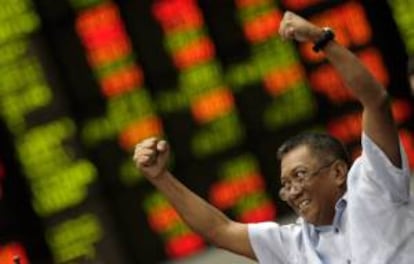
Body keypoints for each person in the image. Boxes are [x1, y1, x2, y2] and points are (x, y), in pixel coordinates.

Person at [133, 11, 413, 263]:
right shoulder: (291, 244)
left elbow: (375, 100)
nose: (293, 192)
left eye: (300, 176)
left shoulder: (375, 184)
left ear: (339, 172)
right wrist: (160, 177)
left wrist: (321, 39)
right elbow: (219, 230)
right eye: (286, 185)